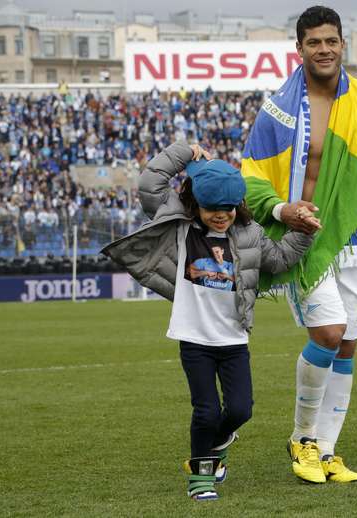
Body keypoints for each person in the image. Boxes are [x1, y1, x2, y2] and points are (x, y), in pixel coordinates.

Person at [241, 5, 357, 484]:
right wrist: (283, 210)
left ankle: (328, 451)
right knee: (329, 333)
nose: (324, 49)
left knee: (349, 345)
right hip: (304, 241)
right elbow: (251, 177)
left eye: (331, 41)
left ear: (344, 44)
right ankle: (303, 438)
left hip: (353, 237)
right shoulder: (276, 109)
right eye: (313, 42)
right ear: (298, 49)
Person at [101, 141, 315, 500]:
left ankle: (215, 446)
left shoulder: (249, 234)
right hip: (194, 338)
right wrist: (185, 151)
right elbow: (150, 183)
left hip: (233, 340)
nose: (221, 215)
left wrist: (305, 232)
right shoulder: (179, 224)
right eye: (212, 208)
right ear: (196, 203)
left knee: (240, 410)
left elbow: (279, 260)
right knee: (205, 410)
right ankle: (201, 477)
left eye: (228, 208)